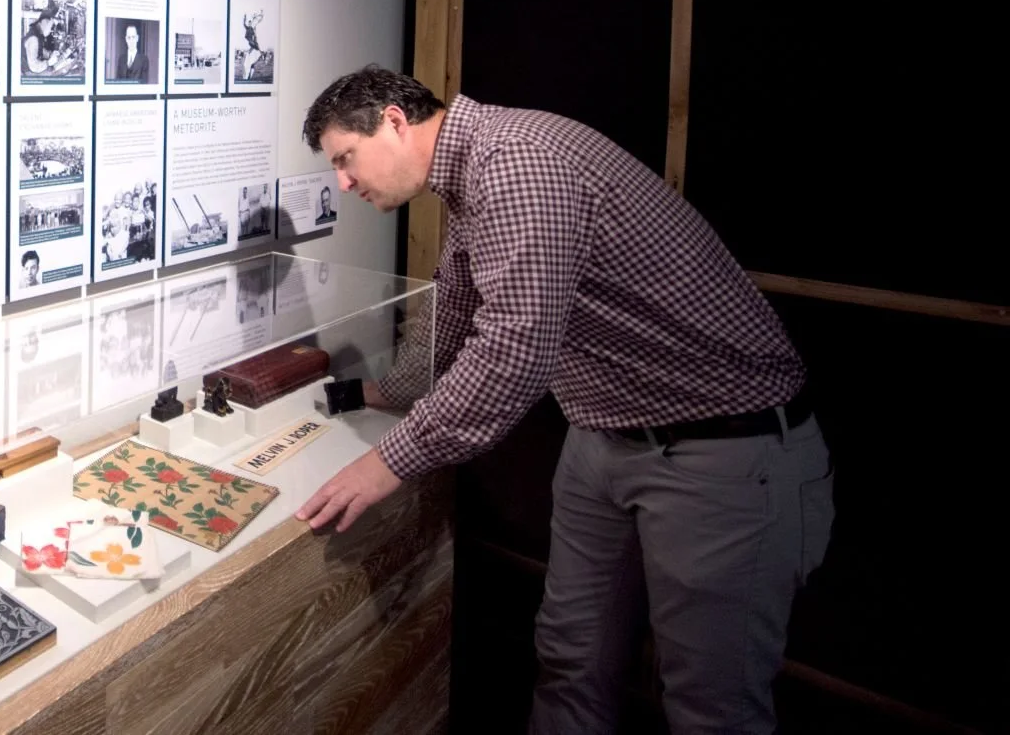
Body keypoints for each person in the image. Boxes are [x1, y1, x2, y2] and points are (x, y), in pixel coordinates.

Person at [295, 65, 831, 735]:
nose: (344, 183)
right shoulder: (470, 176)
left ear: (395, 122)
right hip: (603, 437)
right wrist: (379, 393)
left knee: (710, 704)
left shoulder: (517, 161)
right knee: (572, 657)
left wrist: (386, 463)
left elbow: (512, 351)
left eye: (345, 158)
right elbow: (453, 309)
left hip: (721, 448)